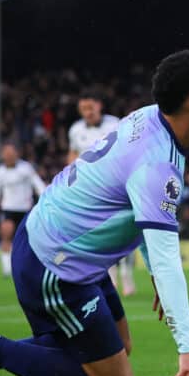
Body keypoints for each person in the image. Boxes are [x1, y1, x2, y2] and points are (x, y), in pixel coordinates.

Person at [0, 50, 189, 376]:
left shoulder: (148, 117)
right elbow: (168, 260)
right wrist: (188, 350)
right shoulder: (157, 166)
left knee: (119, 345)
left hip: (64, 243)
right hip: (53, 264)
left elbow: (146, 217)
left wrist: (152, 273)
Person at [68, 91, 131, 295]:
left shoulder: (115, 124)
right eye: (83, 109)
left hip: (116, 186)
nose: (87, 112)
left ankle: (127, 273)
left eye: (90, 108)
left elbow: (128, 150)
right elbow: (73, 155)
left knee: (124, 231)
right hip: (91, 190)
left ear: (99, 105)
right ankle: (110, 276)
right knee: (102, 233)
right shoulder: (76, 130)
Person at [0, 143, 46, 277]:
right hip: (8, 209)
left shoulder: (26, 168)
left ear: (16, 154)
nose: (8, 156)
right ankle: (7, 269)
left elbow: (37, 184)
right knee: (6, 234)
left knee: (29, 240)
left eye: (11, 153)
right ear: (2, 155)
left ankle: (28, 267)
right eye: (6, 154)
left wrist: (46, 198)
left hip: (25, 209)